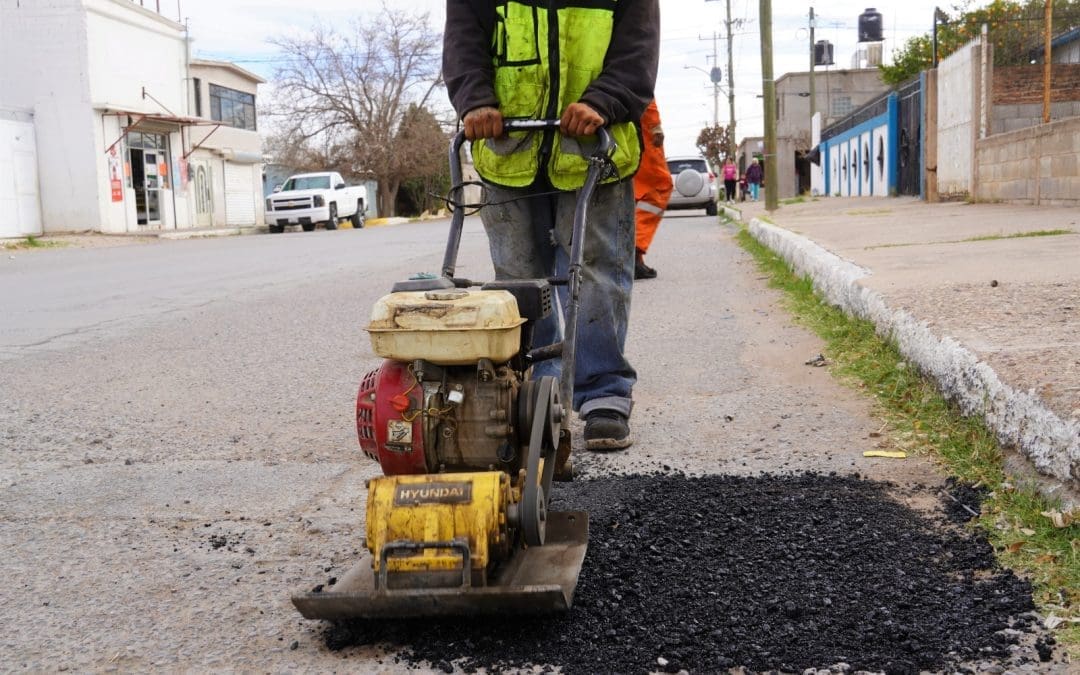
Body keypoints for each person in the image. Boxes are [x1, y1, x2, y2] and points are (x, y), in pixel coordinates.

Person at [443, 0, 660, 451]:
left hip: (595, 149)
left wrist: (602, 101)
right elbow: (463, 41)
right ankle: (532, 391)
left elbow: (637, 51)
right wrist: (475, 100)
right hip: (509, 146)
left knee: (596, 272)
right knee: (518, 280)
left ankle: (603, 393)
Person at [633, 99, 672, 281]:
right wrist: (655, 126)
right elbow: (642, 88)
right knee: (659, 187)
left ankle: (633, 258)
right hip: (639, 122)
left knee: (634, 191)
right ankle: (634, 252)